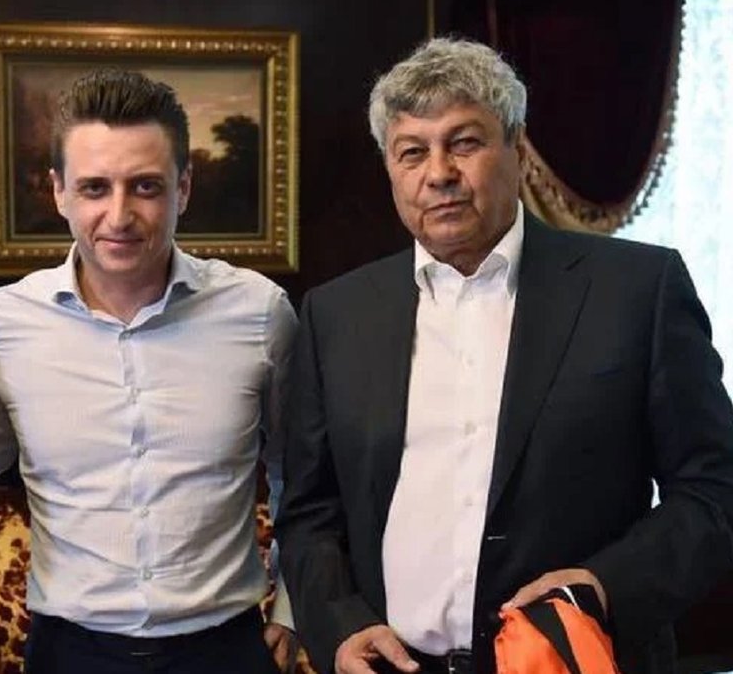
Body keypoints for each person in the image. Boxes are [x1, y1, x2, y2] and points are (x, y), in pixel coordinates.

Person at [276, 37, 733, 674]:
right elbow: (310, 512)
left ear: (517, 148)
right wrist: (339, 627)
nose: (439, 173)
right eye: (412, 152)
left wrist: (604, 589)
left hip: (577, 661)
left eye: (464, 143)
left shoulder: (638, 290)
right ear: (391, 169)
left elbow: (713, 490)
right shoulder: (336, 314)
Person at [0, 69, 298, 673]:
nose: (119, 215)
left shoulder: (260, 312)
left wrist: (292, 605)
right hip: (69, 652)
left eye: (145, 186)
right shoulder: (3, 324)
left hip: (224, 650)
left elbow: (299, 476)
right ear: (59, 191)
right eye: (95, 188)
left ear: (183, 188)